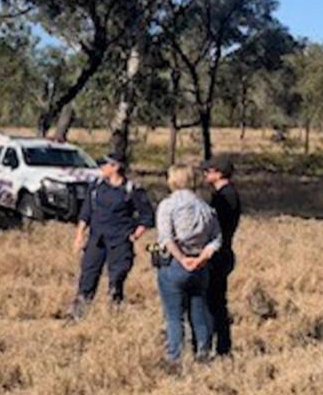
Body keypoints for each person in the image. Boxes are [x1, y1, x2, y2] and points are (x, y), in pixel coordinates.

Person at [71, 153, 155, 319]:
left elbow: (147, 216)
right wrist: (79, 235)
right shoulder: (96, 187)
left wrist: (135, 235)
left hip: (119, 240)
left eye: (105, 164)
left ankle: (113, 315)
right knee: (88, 275)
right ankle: (78, 314)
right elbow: (86, 212)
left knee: (116, 278)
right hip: (97, 240)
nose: (102, 167)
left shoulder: (131, 189)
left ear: (116, 167)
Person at [155, 165, 222, 366]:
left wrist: (182, 259)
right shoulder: (205, 207)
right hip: (200, 268)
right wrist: (201, 258)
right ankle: (203, 352)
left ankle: (174, 357)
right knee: (198, 312)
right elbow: (216, 240)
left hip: (174, 264)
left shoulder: (168, 205)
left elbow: (166, 238)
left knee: (174, 316)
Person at [203, 156, 241, 357]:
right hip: (224, 252)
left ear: (218, 173)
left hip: (218, 254)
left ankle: (219, 346)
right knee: (217, 301)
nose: (205, 175)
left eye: (208, 171)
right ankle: (221, 346)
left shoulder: (223, 197)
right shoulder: (228, 193)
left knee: (214, 302)